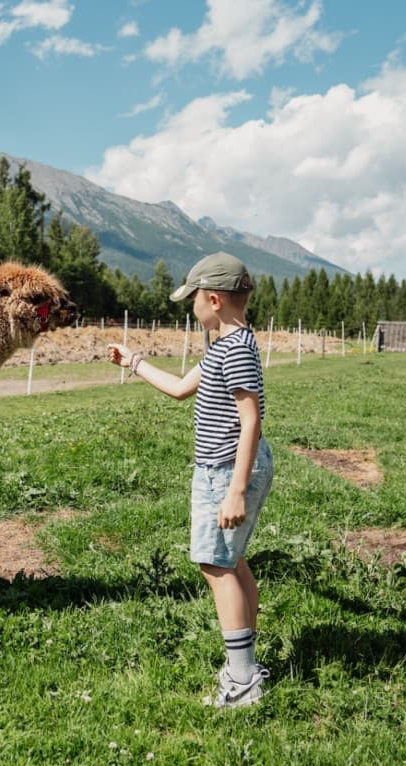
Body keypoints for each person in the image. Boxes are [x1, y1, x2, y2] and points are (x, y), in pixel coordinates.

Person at [109, 252, 274, 708]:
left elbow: (250, 419)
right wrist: (135, 362)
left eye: (194, 299)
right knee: (233, 561)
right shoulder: (226, 343)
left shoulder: (235, 348)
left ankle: (241, 681)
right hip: (227, 468)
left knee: (216, 565)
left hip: (227, 470)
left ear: (214, 300)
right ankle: (247, 666)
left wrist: (236, 488)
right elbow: (183, 388)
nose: (191, 307)